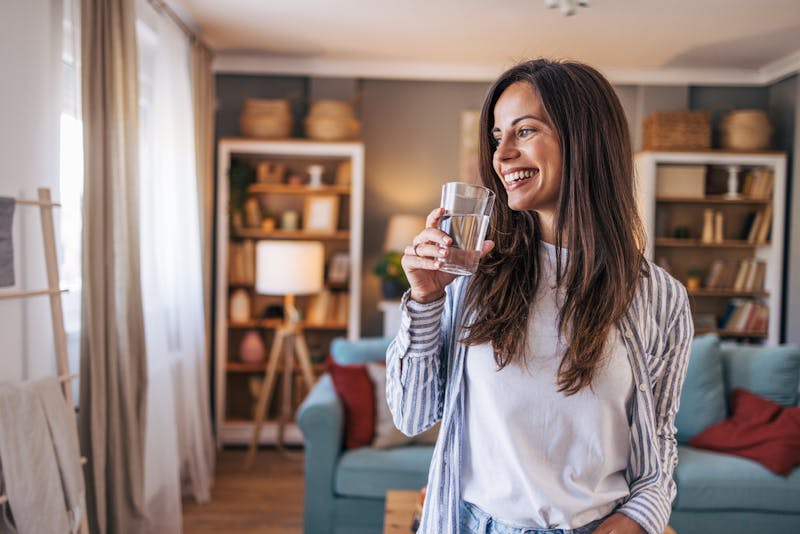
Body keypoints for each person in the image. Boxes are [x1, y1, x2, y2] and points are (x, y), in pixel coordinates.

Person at [385, 58, 693, 534]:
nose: (501, 154)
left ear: (584, 140)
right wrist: (425, 301)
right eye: (496, 137)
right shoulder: (472, 273)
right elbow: (412, 415)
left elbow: (659, 445)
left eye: (524, 131)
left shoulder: (659, 299)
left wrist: (636, 521)